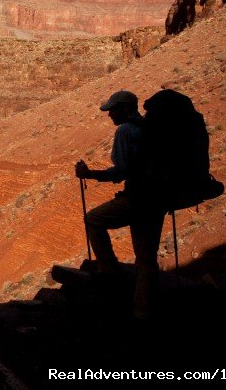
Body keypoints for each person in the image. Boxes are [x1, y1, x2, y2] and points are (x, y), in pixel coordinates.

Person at [74, 90, 165, 319]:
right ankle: (143, 312)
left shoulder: (125, 130)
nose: (109, 115)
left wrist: (89, 174)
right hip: (158, 199)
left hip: (137, 199)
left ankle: (109, 270)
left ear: (125, 108)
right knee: (146, 258)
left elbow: (122, 170)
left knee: (93, 219)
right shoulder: (150, 130)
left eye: (112, 110)